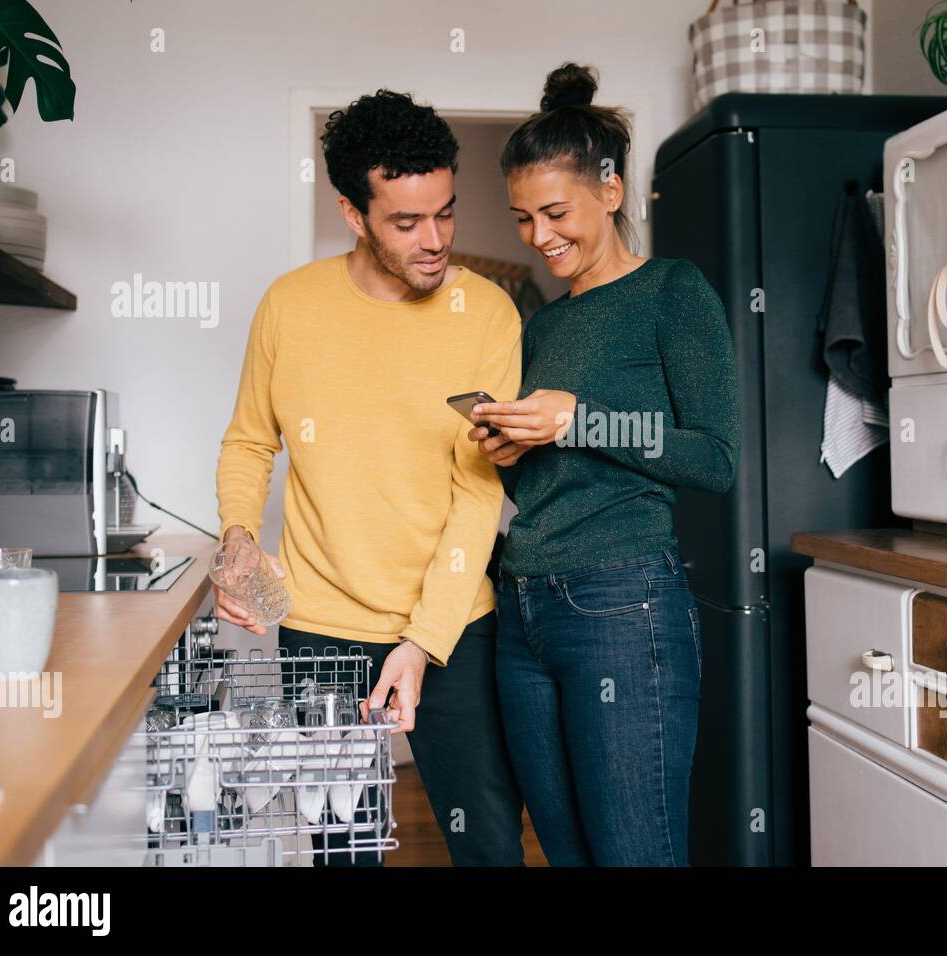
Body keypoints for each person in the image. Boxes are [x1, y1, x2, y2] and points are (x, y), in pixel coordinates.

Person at [215, 89, 524, 866]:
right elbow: (251, 442)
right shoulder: (289, 306)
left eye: (446, 213)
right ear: (353, 213)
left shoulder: (488, 313)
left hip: (456, 627)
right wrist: (238, 537)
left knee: (487, 842)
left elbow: (478, 491)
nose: (436, 241)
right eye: (406, 221)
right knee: (342, 852)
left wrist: (422, 642)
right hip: (320, 628)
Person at [468, 63, 741, 866]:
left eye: (555, 211)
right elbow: (558, 476)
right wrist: (514, 449)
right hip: (521, 611)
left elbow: (714, 458)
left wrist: (578, 418)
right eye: (522, 218)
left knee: (635, 855)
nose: (539, 235)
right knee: (565, 850)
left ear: (611, 193)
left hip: (622, 606)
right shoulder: (542, 326)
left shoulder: (672, 293)